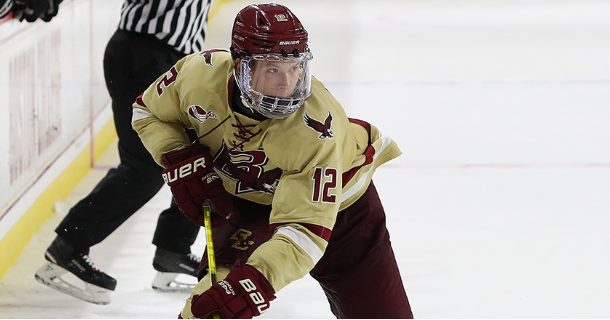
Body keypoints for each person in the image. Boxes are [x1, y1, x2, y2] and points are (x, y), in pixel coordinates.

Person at [132, 3, 414, 318]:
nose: (287, 84)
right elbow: (149, 111)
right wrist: (177, 156)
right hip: (247, 204)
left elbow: (304, 232)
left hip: (342, 208)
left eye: (295, 68)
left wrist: (256, 283)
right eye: (272, 69)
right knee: (211, 306)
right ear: (241, 66)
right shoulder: (200, 75)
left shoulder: (316, 128)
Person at [34, 0, 215, 305]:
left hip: (164, 58)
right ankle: (68, 246)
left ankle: (174, 248)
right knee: (144, 168)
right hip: (144, 55)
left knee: (202, 152)